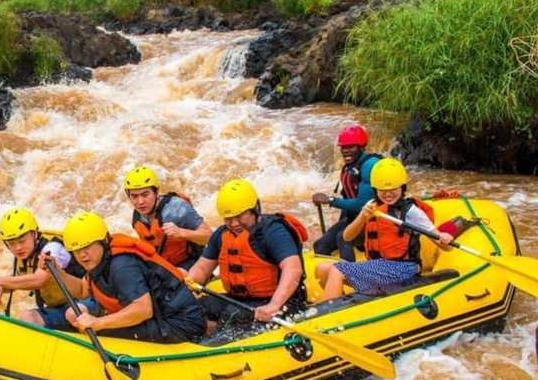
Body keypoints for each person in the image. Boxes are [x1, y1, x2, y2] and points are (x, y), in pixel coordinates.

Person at [43, 211, 207, 343]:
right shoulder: (98, 260)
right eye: (76, 250)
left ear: (104, 240)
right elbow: (82, 290)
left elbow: (143, 309)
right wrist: (57, 272)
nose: (82, 254)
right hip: (164, 319)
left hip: (180, 323)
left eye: (87, 246)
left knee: (102, 332)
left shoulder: (122, 266)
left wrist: (98, 322)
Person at [314, 158, 454, 300]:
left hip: (402, 269)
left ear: (402, 188)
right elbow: (347, 237)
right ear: (375, 190)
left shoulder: (411, 212)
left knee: (337, 271)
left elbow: (444, 246)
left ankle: (330, 316)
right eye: (382, 190)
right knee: (322, 269)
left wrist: (445, 238)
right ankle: (342, 307)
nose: (388, 194)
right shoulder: (373, 205)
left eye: (393, 189)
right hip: (378, 266)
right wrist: (362, 216)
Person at [187, 179, 307, 326]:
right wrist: (189, 285)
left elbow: (293, 269)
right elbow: (202, 268)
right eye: (229, 218)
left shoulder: (273, 232)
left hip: (281, 302)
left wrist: (273, 305)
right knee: (193, 309)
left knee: (231, 316)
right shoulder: (221, 235)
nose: (234, 223)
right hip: (241, 300)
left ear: (255, 208)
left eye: (240, 216)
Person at [0, 207, 94, 329]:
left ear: (35, 234)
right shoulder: (22, 256)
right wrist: (1, 288)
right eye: (11, 244)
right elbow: (18, 277)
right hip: (60, 308)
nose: (18, 248)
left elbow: (39, 279)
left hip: (86, 303)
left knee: (73, 313)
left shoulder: (53, 248)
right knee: (27, 317)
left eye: (22, 241)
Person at [312, 125, 381, 261]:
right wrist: (341, 223)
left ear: (361, 147)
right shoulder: (349, 167)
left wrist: (331, 201)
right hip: (354, 217)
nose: (346, 151)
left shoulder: (370, 165)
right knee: (320, 245)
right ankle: (327, 277)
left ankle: (350, 277)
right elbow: (347, 197)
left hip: (374, 218)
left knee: (342, 238)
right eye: (343, 147)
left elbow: (363, 203)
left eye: (351, 147)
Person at [124, 166, 212, 271]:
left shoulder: (177, 208)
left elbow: (209, 236)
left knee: (177, 275)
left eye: (145, 194)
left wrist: (180, 232)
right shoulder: (138, 215)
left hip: (192, 261)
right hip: (163, 266)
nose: (140, 202)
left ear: (156, 192)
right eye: (134, 196)